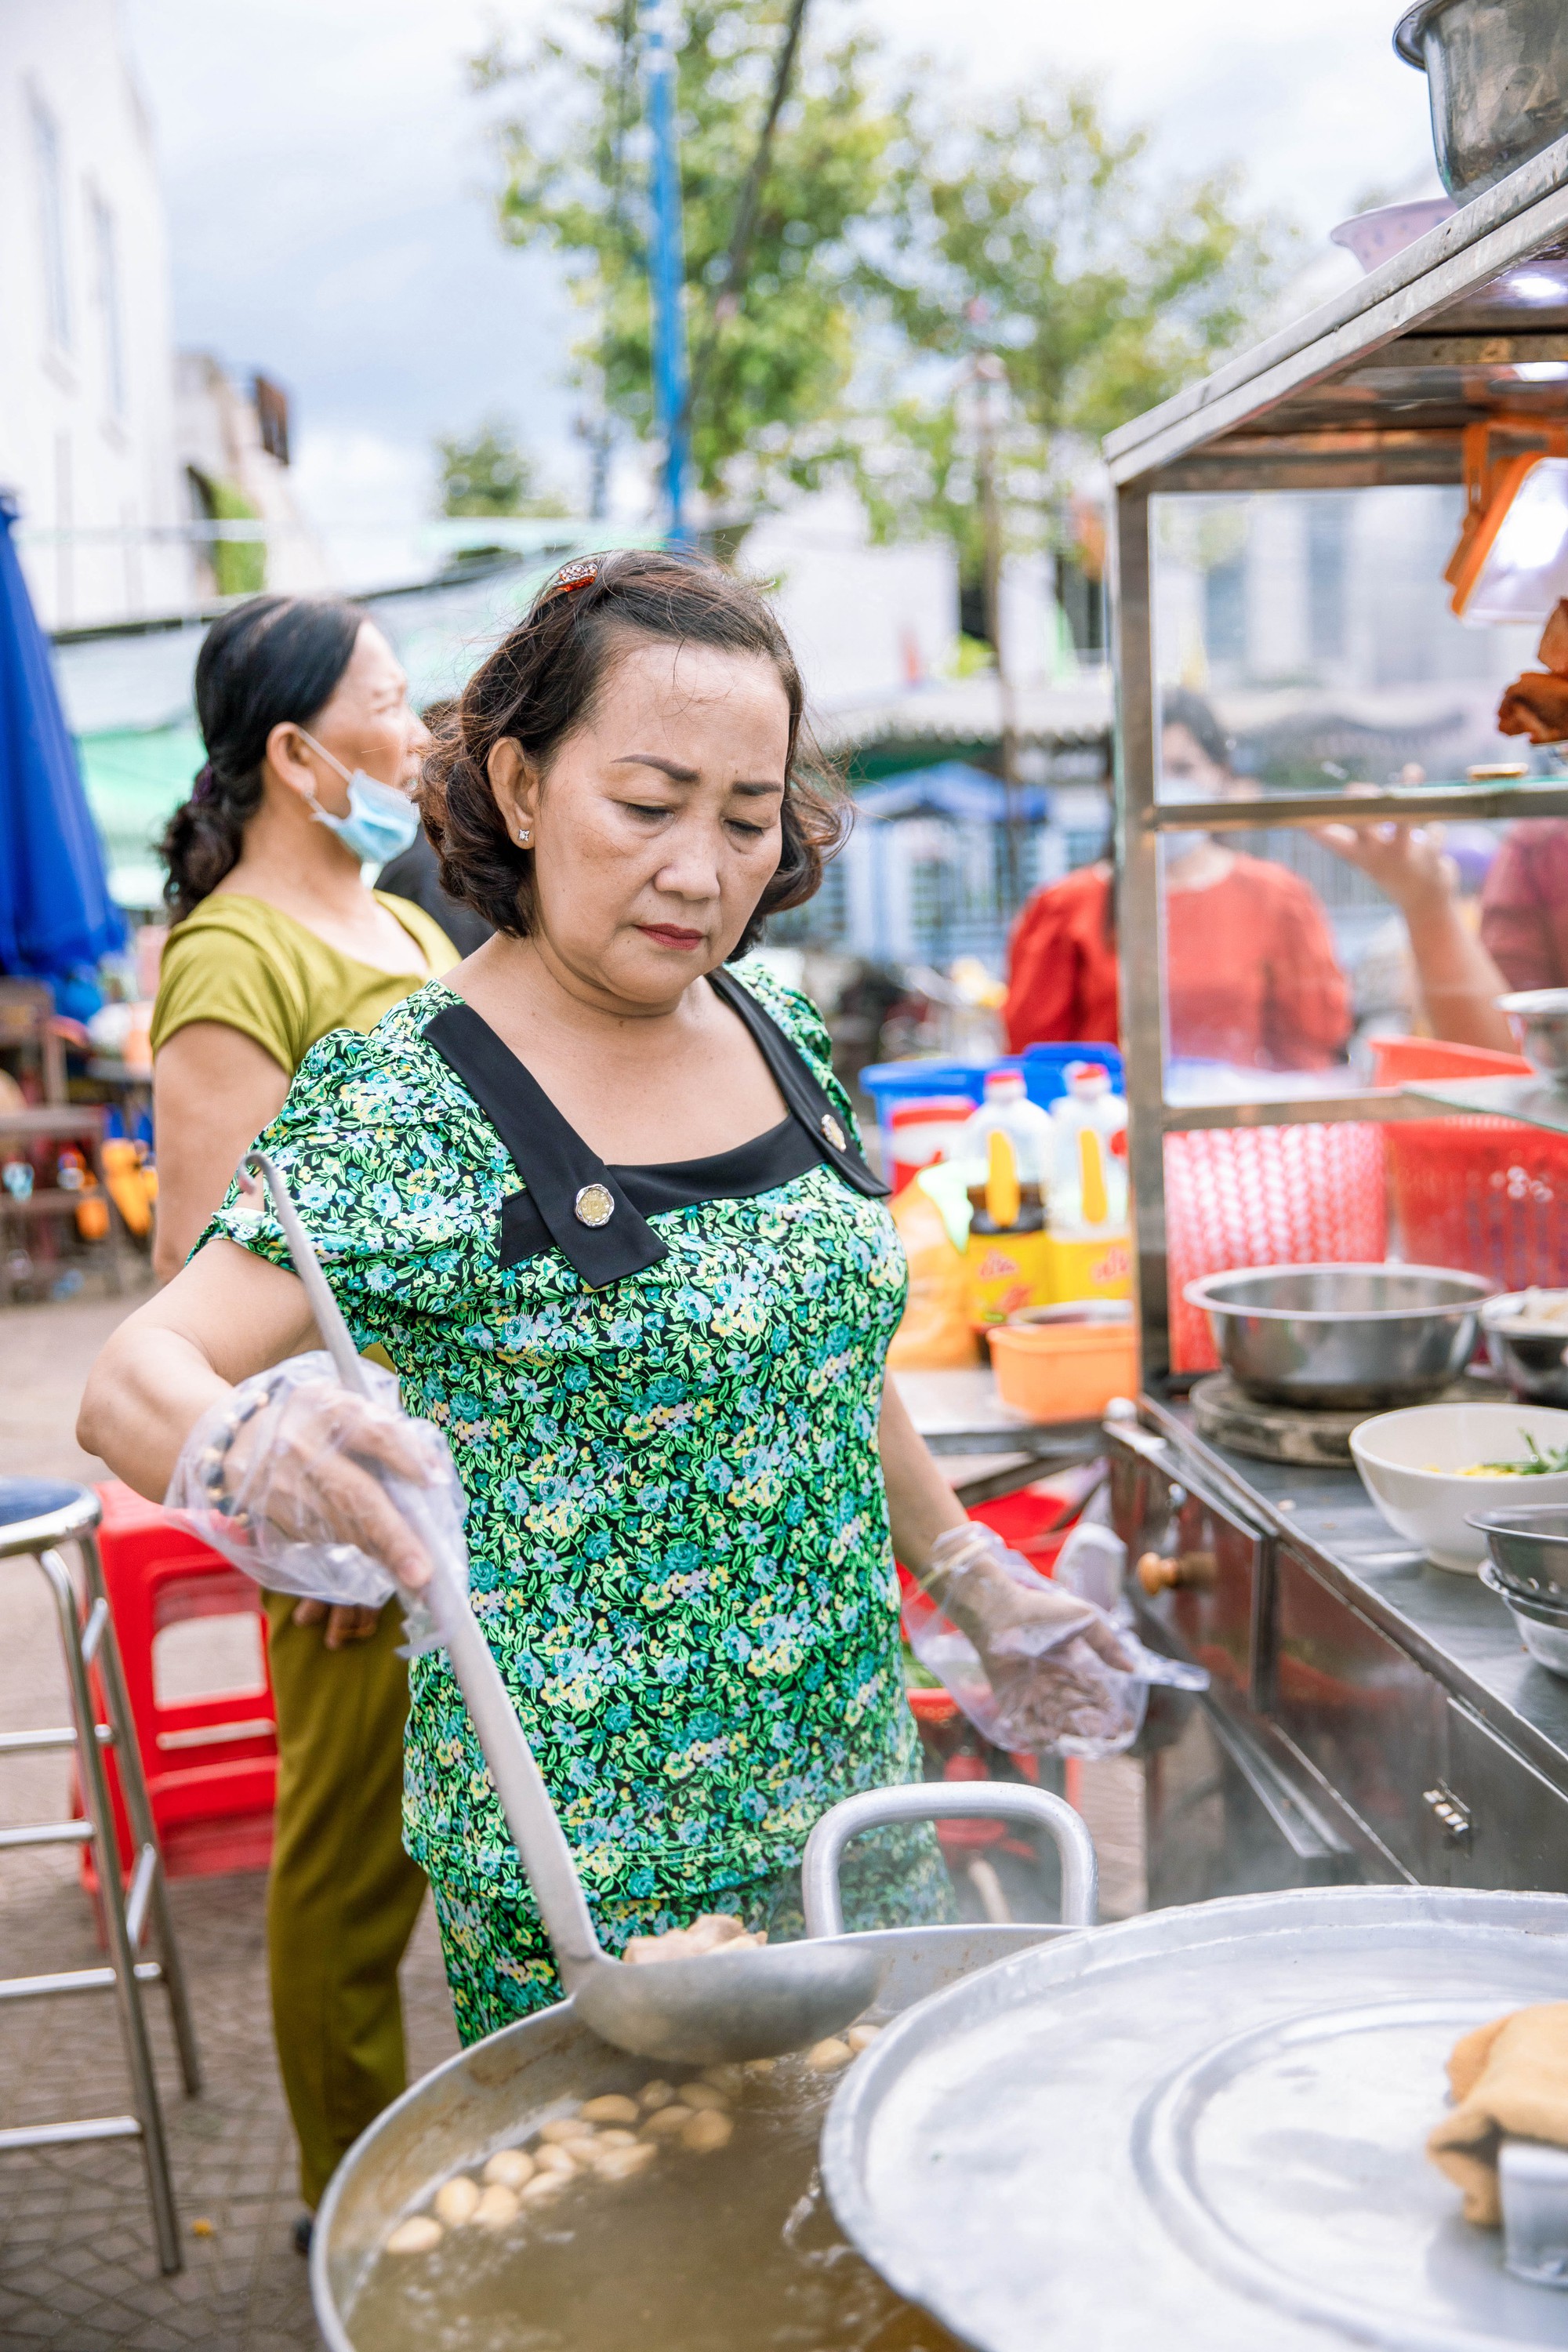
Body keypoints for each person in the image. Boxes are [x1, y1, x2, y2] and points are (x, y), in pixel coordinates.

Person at [81, 550, 1127, 2052]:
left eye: (747, 817)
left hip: (860, 1807)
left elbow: (817, 1351)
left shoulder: (775, 1025)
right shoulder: (406, 1096)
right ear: (518, 786)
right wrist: (257, 1446)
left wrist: (965, 1563)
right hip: (603, 1896)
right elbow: (134, 1369)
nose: (700, 870)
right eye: (646, 806)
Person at [146, 593, 459, 2234]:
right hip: (352, 1502)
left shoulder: (404, 932)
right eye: (396, 704)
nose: (418, 739)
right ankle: (354, 2215)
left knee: (471, 1837)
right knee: (350, 1879)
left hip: (467, 1470)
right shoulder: (234, 958)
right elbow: (203, 1275)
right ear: (293, 750)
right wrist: (301, 1518)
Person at [1006, 688, 1351, 1070]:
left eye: (1183, 769)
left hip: (1232, 1124)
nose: (1163, 789)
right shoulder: (1065, 909)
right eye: (1145, 771)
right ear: (1111, 784)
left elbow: (1312, 1050)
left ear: (1221, 775)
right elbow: (1035, 1061)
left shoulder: (1277, 898)